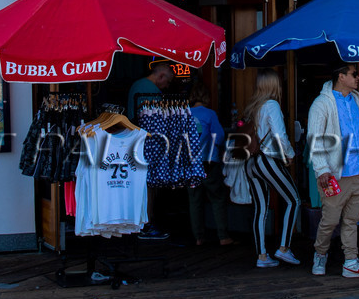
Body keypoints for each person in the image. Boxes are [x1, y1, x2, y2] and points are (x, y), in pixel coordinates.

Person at [307, 62, 359, 279]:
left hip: (358, 171)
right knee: (330, 220)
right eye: (353, 74)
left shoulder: (356, 99)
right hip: (335, 174)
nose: (358, 77)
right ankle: (320, 254)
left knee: (351, 220)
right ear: (341, 76)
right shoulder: (321, 103)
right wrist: (322, 169)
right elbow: (314, 137)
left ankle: (350, 261)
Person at [243, 69, 301, 267]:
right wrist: (290, 154)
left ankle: (262, 256)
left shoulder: (254, 106)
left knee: (260, 208)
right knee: (294, 200)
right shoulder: (272, 105)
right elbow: (279, 135)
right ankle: (284, 248)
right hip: (268, 160)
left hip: (251, 162)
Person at [126, 61, 176, 240]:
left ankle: (144, 222)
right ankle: (146, 223)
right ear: (161, 76)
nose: (167, 86)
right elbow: (156, 122)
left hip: (136, 140)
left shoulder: (137, 85)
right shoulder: (151, 91)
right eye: (167, 82)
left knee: (145, 183)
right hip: (148, 143)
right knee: (149, 184)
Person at [185, 79, 234, 249]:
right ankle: (223, 236)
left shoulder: (184, 114)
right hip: (208, 162)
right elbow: (219, 137)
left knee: (194, 200)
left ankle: (198, 237)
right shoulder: (210, 114)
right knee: (217, 198)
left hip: (190, 164)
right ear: (207, 97)